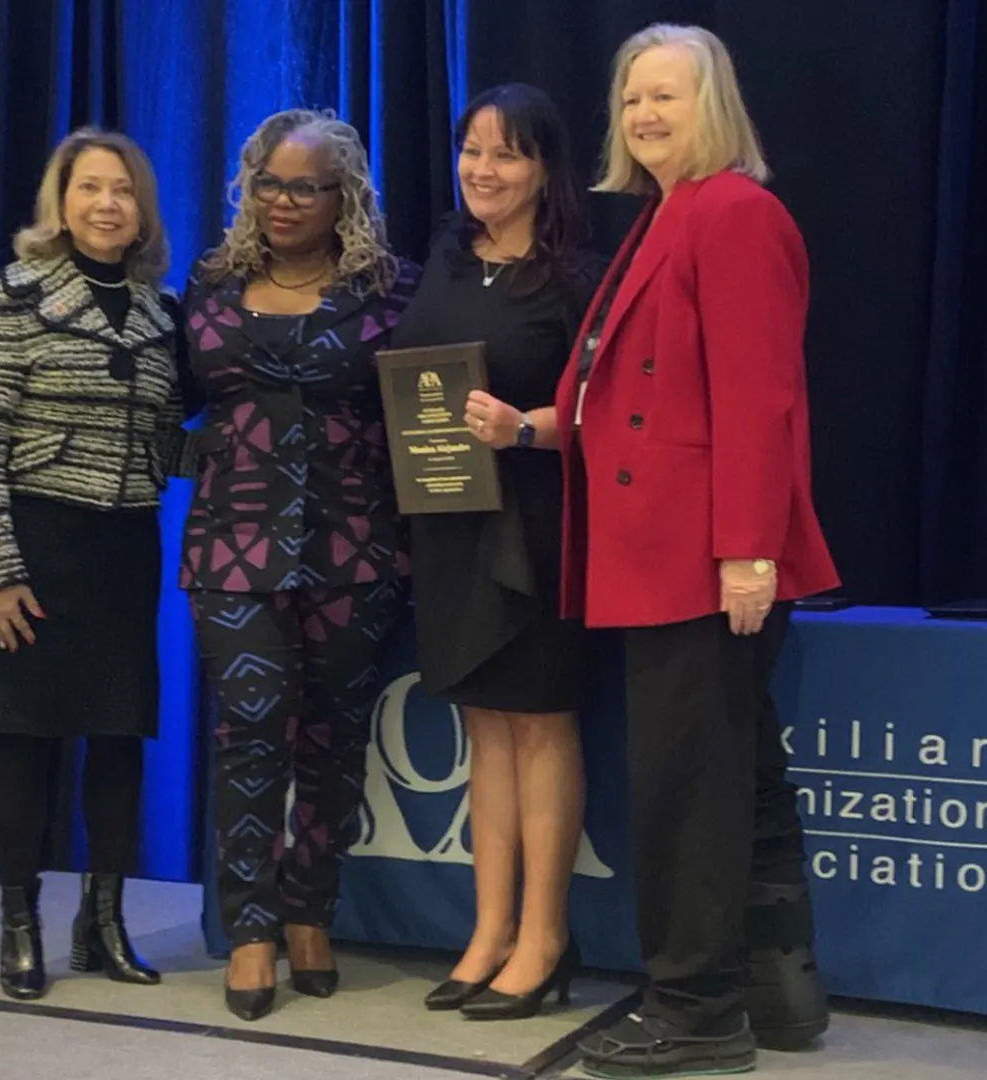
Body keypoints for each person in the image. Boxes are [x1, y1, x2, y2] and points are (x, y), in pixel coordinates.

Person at [557, 25, 840, 1078]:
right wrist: (543, 426)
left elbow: (758, 397)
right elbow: (634, 394)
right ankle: (774, 993)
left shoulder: (732, 213)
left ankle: (695, 1009)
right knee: (734, 778)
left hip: (700, 558)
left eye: (665, 96)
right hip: (659, 551)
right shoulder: (669, 215)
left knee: (689, 791)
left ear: (712, 103)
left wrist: (747, 551)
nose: (642, 116)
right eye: (631, 98)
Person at [178, 108, 420, 1022]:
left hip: (353, 545)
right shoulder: (208, 281)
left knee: (332, 737)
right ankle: (249, 928)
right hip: (230, 549)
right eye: (268, 183)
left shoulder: (392, 290)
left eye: (305, 186)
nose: (283, 202)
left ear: (342, 195)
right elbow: (174, 401)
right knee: (250, 731)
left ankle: (310, 912)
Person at [0, 128, 187, 1001]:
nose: (106, 205)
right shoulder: (15, 294)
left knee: (120, 735)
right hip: (34, 542)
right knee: (24, 739)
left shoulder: (162, 312)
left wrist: (254, 453)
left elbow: (163, 441)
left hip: (125, 543)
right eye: (88, 187)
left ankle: (105, 922)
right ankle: (21, 923)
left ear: (142, 209)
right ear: (60, 202)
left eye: (122, 190)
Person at [387, 83, 604, 1021]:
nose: (483, 169)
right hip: (447, 526)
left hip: (538, 526)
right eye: (472, 149)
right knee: (483, 728)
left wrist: (524, 430)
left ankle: (546, 937)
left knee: (540, 723)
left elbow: (612, 417)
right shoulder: (441, 256)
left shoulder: (578, 279)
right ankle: (488, 932)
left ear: (545, 168)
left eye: (507, 153)